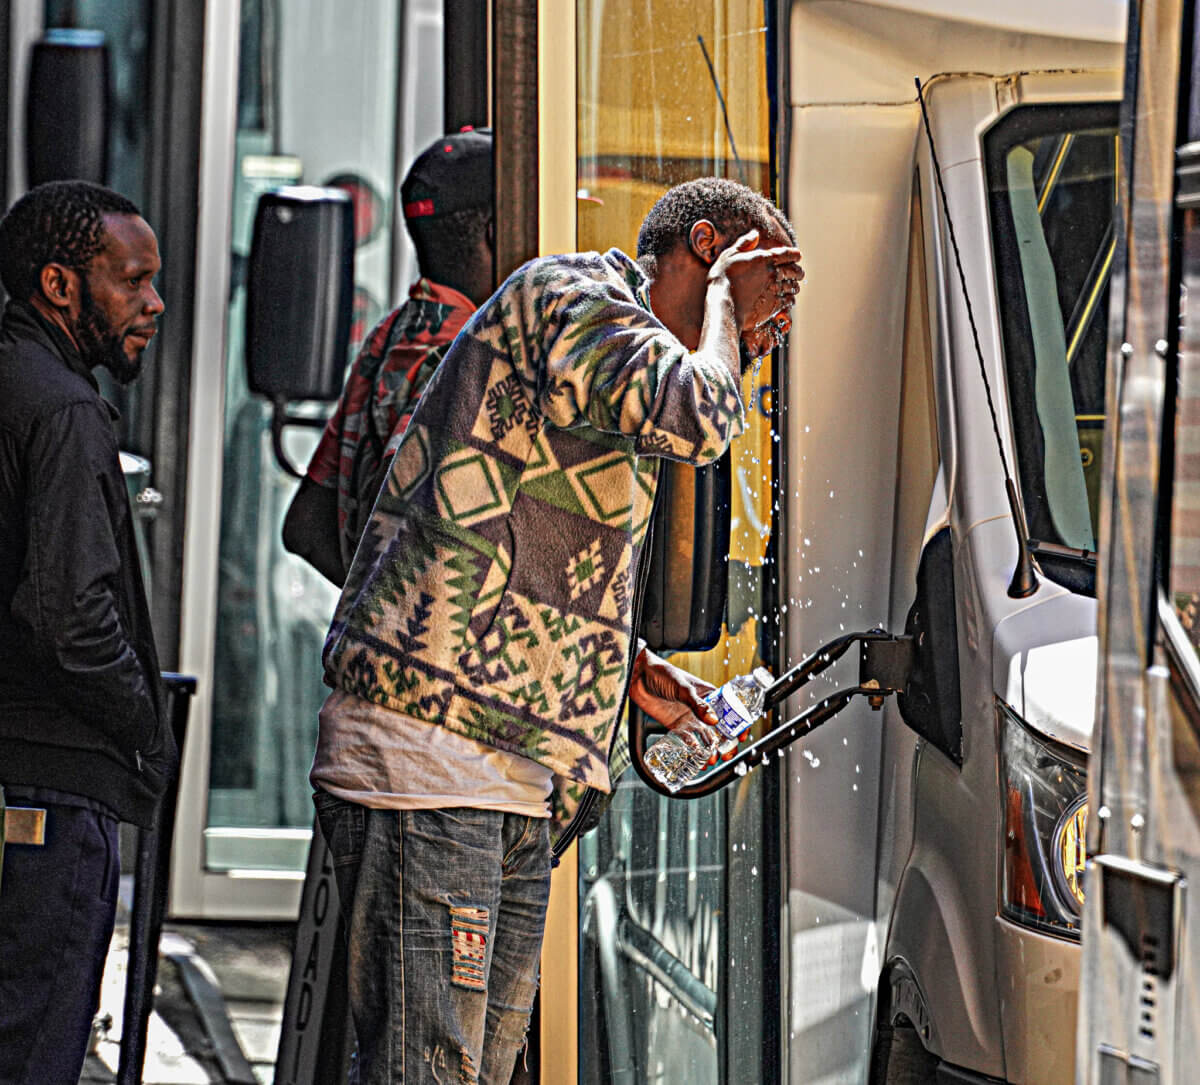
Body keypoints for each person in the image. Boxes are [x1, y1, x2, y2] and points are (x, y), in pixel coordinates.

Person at [312, 176, 802, 1084]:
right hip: (435, 763)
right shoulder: (572, 297)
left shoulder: (604, 351)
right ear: (707, 248)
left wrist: (626, 667)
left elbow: (521, 544)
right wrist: (731, 305)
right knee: (429, 1070)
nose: (768, 337)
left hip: (505, 775)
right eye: (771, 300)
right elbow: (700, 415)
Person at [0, 180, 178, 1084]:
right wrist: (144, 728)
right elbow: (71, 618)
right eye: (132, 280)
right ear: (61, 286)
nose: (153, 303)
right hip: (52, 787)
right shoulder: (64, 411)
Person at [283, 126, 496, 585]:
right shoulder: (479, 361)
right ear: (497, 233)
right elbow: (422, 564)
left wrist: (371, 616)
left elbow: (307, 527)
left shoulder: (391, 335)